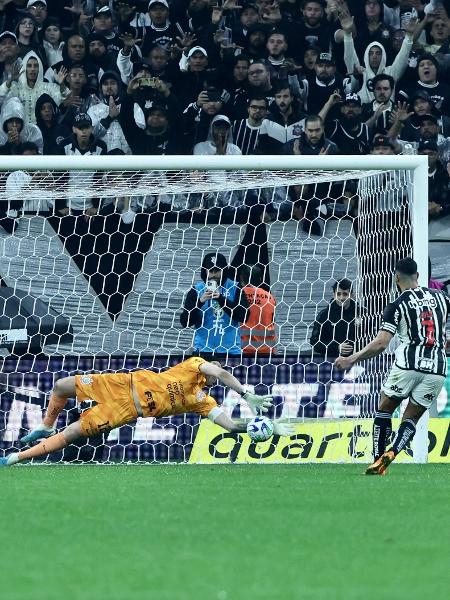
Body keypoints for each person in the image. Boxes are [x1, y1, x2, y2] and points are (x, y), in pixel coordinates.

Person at [0, 357, 295, 466]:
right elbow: (216, 370)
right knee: (62, 385)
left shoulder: (202, 402)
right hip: (120, 383)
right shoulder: (193, 365)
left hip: (126, 412)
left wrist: (266, 426)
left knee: (74, 433)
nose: (217, 372)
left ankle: (16, 458)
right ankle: (47, 424)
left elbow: (230, 426)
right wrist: (246, 394)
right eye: (219, 370)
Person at [335, 258, 450, 476]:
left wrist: (352, 359)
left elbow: (381, 343)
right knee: (411, 418)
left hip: (408, 364)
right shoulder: (442, 298)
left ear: (397, 277)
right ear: (418, 274)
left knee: (385, 407)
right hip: (437, 367)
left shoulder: (397, 304)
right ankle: (393, 452)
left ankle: (378, 459)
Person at [180, 252, 249, 356]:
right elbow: (185, 322)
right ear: (205, 271)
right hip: (203, 350)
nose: (213, 274)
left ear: (224, 270)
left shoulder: (236, 287)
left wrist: (221, 299)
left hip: (230, 351)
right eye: (210, 270)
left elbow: (244, 317)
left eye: (217, 270)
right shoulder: (196, 290)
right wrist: (200, 302)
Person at [310, 278, 357, 359]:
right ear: (333, 295)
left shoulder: (362, 313)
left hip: (358, 360)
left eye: (345, 294)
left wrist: (356, 348)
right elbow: (314, 343)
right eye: (338, 294)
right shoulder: (324, 315)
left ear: (352, 295)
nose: (341, 298)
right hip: (331, 361)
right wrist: (336, 347)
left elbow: (372, 340)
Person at [239, 265, 277, 356]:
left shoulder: (238, 295)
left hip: (243, 349)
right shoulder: (270, 297)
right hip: (267, 349)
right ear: (260, 279)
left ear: (241, 278)